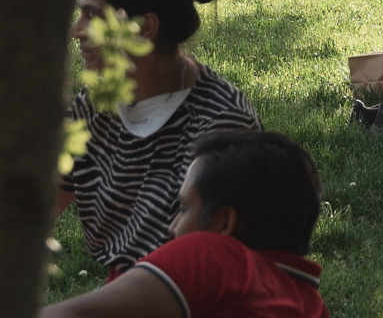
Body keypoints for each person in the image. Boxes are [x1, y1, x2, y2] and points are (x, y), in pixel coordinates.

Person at [58, 0, 261, 274]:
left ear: (144, 27)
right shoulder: (95, 105)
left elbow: (210, 269)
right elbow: (31, 206)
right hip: (130, 292)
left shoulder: (222, 124)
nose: (76, 31)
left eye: (92, 16)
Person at [43, 131, 329, 318]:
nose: (172, 227)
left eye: (183, 208)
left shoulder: (216, 256)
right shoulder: (311, 305)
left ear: (224, 223)